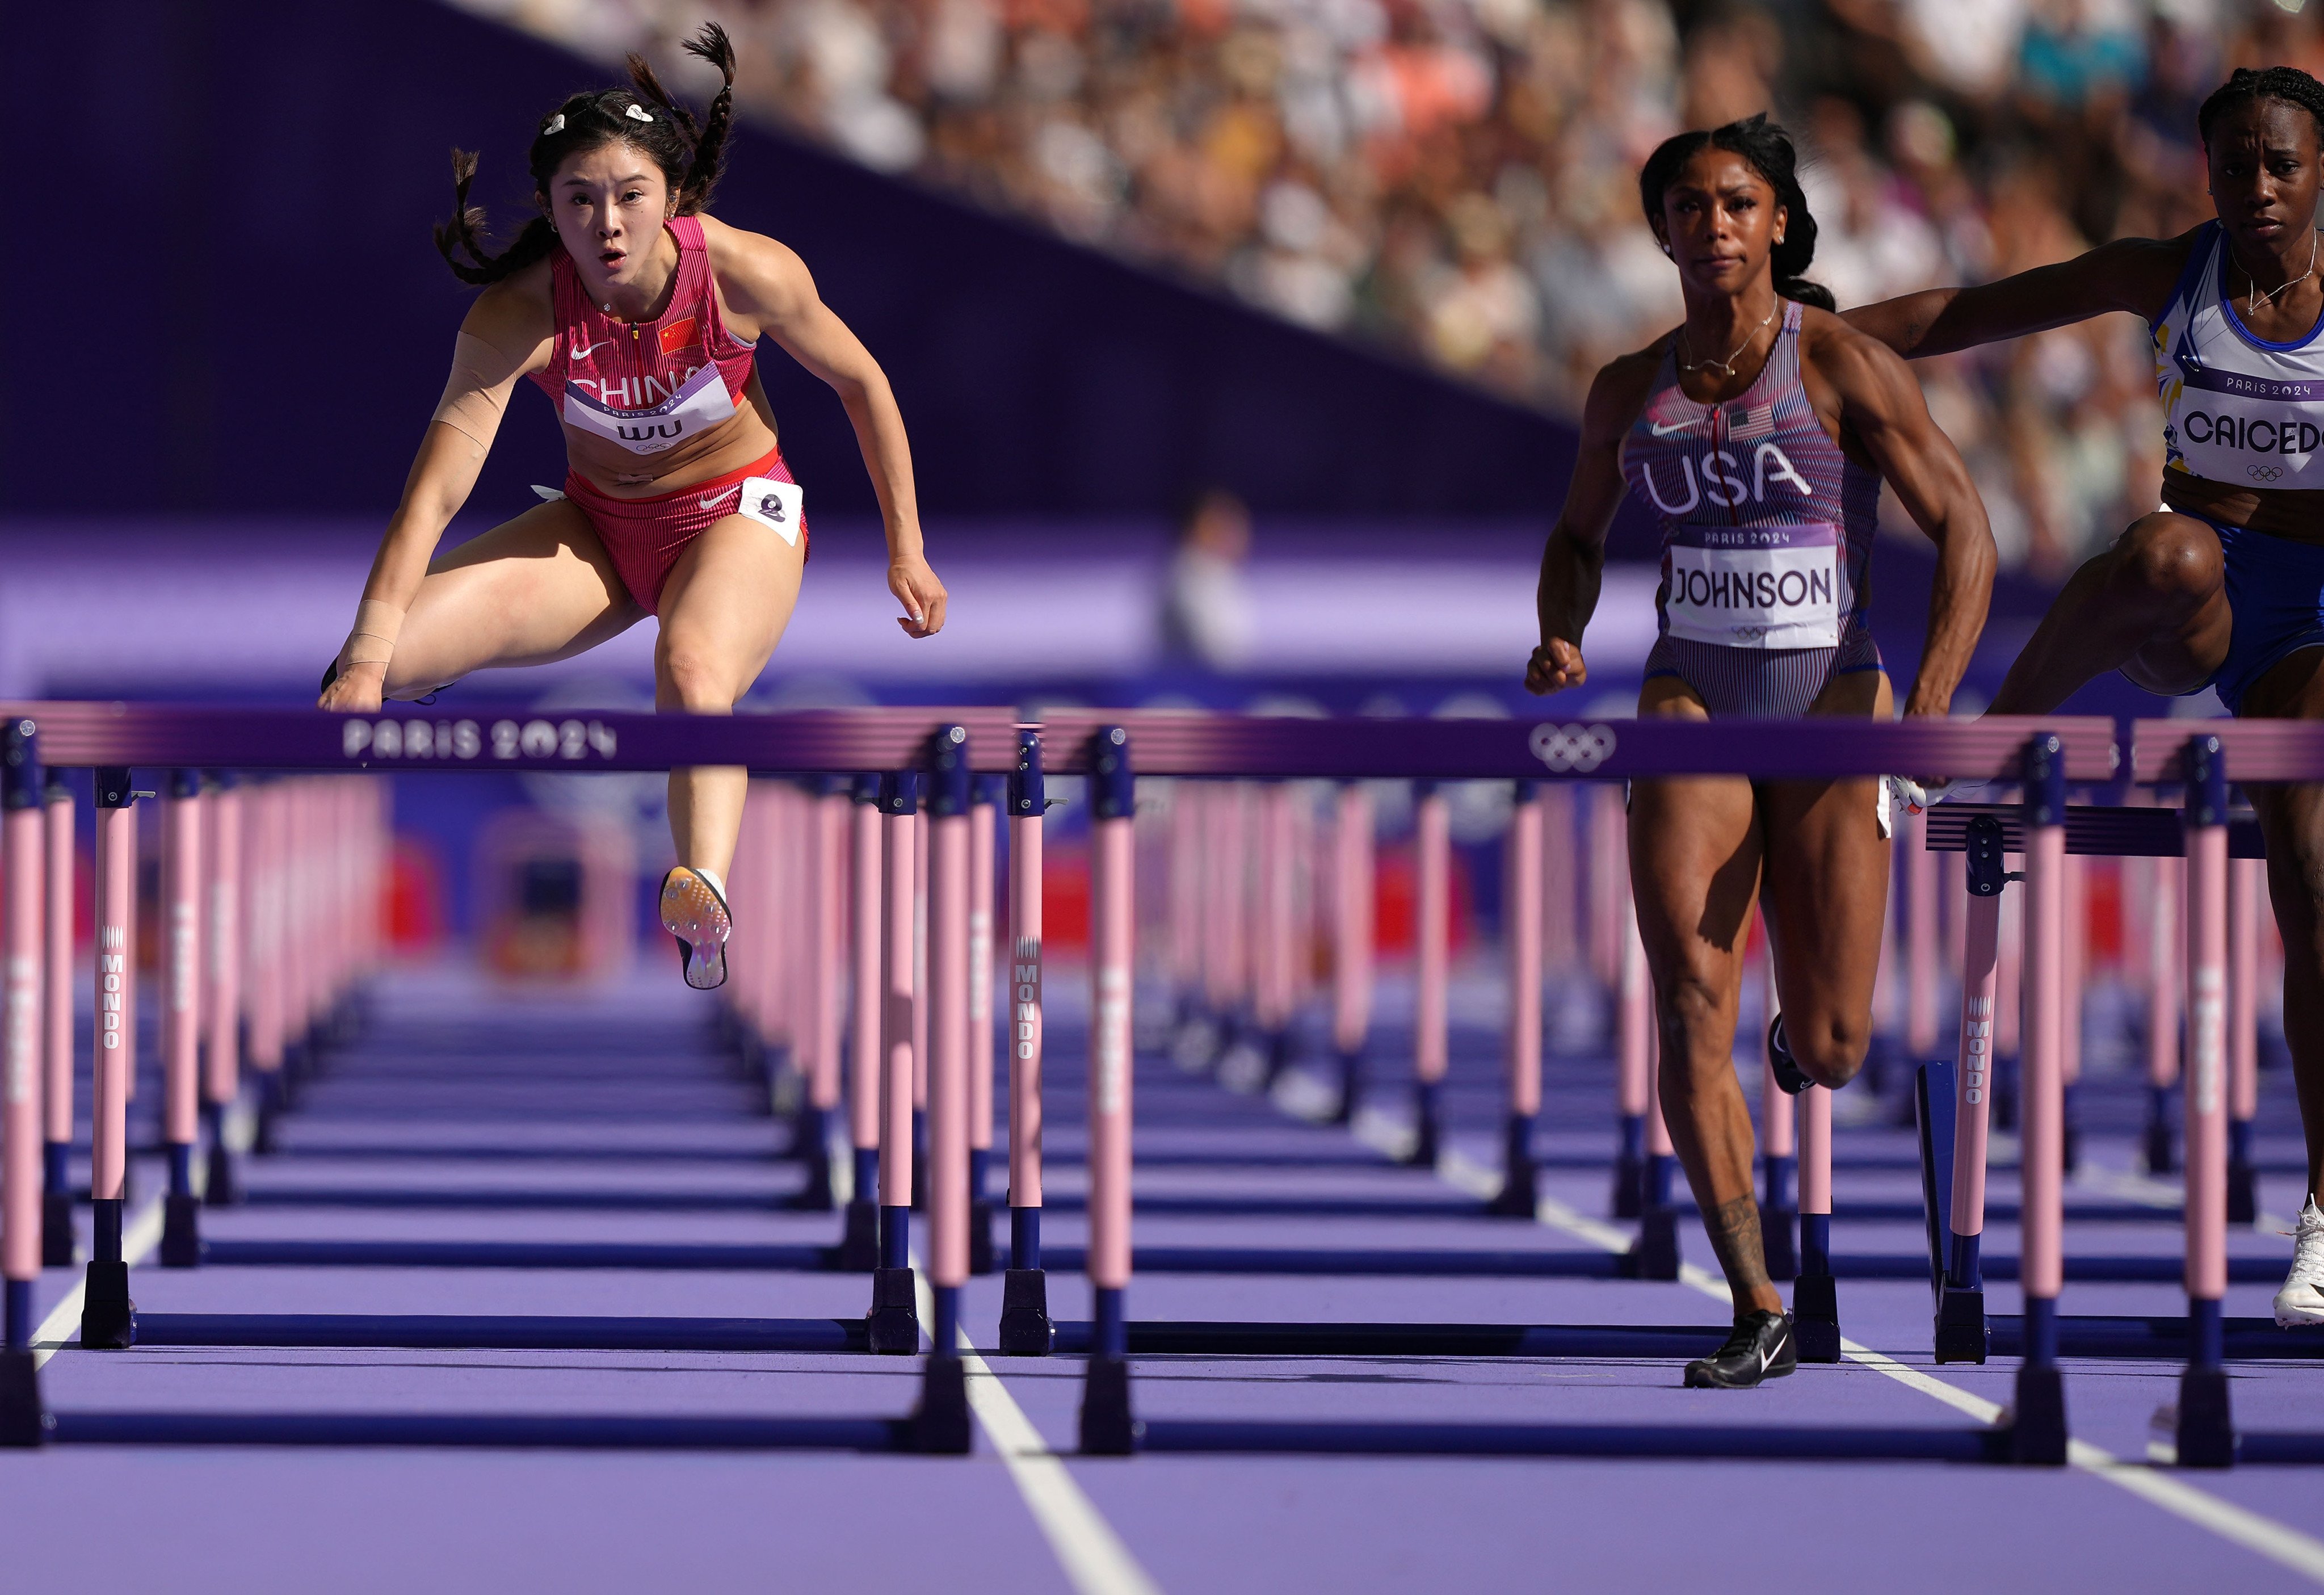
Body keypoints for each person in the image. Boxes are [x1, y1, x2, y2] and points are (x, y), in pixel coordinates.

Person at [318, 23, 947, 990]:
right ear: (551, 209)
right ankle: (422, 670)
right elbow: (433, 494)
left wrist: (906, 547)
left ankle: (702, 892)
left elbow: (865, 385)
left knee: (692, 664)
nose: (606, 223)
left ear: (672, 198)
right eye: (580, 201)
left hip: (741, 513)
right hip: (601, 531)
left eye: (629, 196)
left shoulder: (745, 275)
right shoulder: (518, 314)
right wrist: (366, 664)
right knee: (381, 656)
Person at [1846, 65, 2324, 1332]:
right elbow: (1972, 307)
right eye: (2233, 165)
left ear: (2319, 171)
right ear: (2203, 172)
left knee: (2314, 872)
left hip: (2322, 625)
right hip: (2213, 601)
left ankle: (2322, 1215)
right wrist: (1809, 340)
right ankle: (1978, 738)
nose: (2256, 188)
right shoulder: (2169, 273)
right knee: (2161, 548)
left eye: (2279, 164)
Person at [1525, 114, 1997, 1387]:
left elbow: (1964, 530)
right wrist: (1560, 633)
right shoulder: (1629, 390)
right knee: (1687, 996)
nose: (1712, 224)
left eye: (1736, 203)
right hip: (1688, 695)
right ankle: (1753, 1298)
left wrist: (1931, 711)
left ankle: (1803, 1048)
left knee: (1835, 1045)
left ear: (1778, 223)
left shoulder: (1836, 363)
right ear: (1661, 231)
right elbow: (1575, 538)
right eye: (1688, 206)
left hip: (1838, 701)